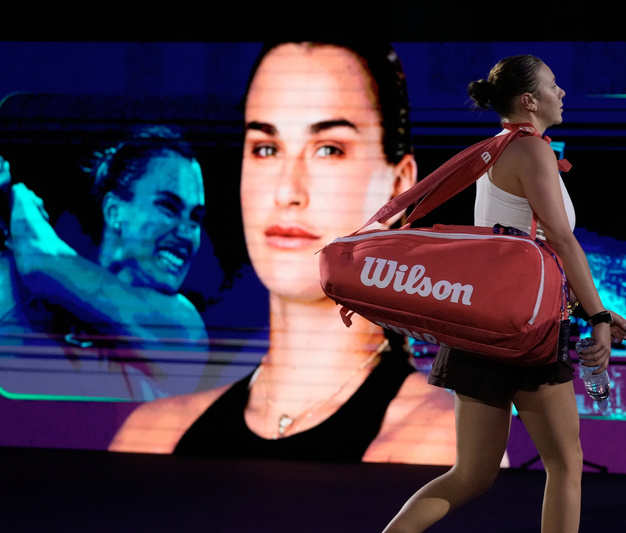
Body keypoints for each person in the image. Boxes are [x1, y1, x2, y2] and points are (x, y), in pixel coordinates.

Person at [329, 55, 626, 533]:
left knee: (470, 474)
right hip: (522, 338)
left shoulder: (500, 150)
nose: (562, 91)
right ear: (529, 100)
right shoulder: (530, 150)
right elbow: (561, 241)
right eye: (552, 85)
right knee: (566, 465)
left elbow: (523, 260)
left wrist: (590, 307)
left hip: (484, 333)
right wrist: (594, 315)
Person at [109, 41, 457, 464]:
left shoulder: (437, 443)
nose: (287, 191)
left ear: (399, 187)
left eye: (329, 149)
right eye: (266, 149)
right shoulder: (154, 437)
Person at [0, 127, 207, 400]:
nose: (186, 232)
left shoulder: (182, 326)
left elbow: (42, 258)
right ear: (114, 210)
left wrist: (18, 198)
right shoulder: (23, 293)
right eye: (169, 207)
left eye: (195, 218)